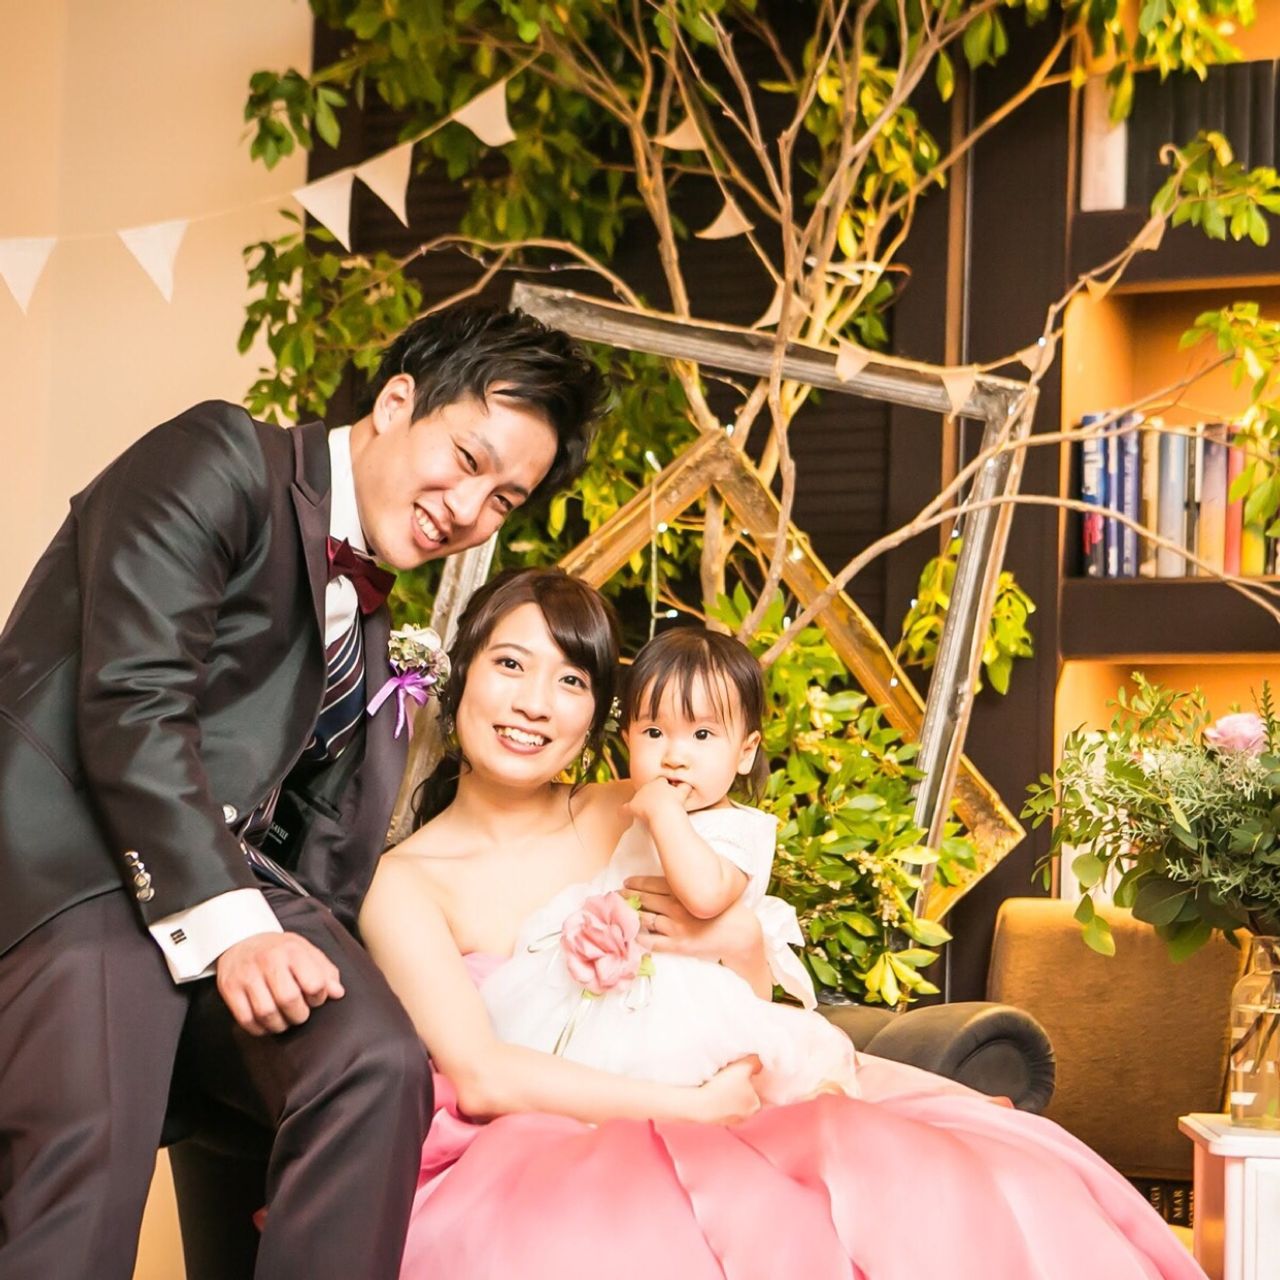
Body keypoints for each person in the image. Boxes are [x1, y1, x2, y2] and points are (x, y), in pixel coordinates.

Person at [363, 566, 1206, 1280]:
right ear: (460, 672)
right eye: (511, 664)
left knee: (967, 1180)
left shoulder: (643, 801)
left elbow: (745, 988)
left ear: (599, 717)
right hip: (558, 1143)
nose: (534, 704)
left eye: (571, 681)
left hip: (737, 1081)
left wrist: (738, 945)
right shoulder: (404, 885)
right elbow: (483, 1077)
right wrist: (691, 1109)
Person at [0, 305, 605, 1280]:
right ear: (397, 401)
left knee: (376, 1063)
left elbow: (312, 846)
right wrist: (235, 927)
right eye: (466, 458)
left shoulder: (367, 618)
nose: (469, 507)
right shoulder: (218, 456)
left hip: (222, 900)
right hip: (81, 867)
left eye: (504, 498)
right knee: (90, 1158)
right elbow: (134, 700)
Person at [478, 626, 859, 1101]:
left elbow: (705, 896)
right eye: (654, 733)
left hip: (689, 1003)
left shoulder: (736, 828)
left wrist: (663, 813)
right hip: (612, 986)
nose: (675, 756)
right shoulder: (634, 814)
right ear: (628, 740)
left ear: (745, 753)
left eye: (702, 734)